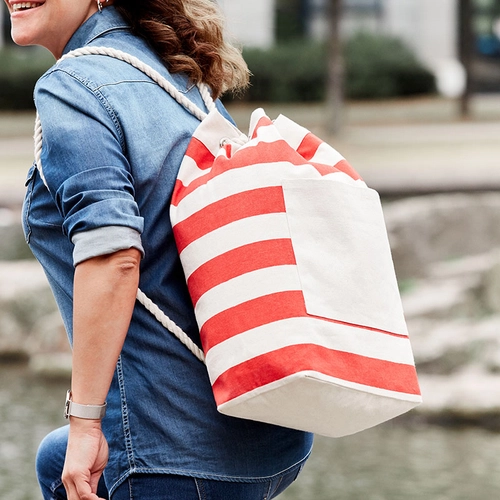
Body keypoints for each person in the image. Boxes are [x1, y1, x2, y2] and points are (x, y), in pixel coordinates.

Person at [5, 1, 313, 499]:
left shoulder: (72, 85)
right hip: (269, 434)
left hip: (171, 453)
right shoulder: (177, 73)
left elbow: (114, 256)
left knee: (74, 453)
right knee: (52, 462)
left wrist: (85, 424)